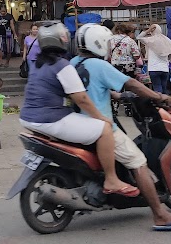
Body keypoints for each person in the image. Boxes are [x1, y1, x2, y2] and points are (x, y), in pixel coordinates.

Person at [69, 24, 171, 231]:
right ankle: (160, 215)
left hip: (77, 124)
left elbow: (91, 90)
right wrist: (158, 95)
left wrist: (116, 95)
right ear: (97, 44)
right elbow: (132, 84)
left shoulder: (73, 64)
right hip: (101, 127)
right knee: (139, 162)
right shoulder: (100, 66)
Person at [19, 21, 140, 198]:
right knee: (105, 129)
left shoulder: (39, 64)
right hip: (51, 119)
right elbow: (81, 98)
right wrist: (101, 117)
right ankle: (111, 179)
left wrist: (113, 96)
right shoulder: (62, 65)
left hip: (28, 118)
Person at [138, 24, 171, 94]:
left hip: (153, 68)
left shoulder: (150, 40)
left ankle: (160, 103)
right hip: (165, 68)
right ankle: (166, 102)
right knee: (164, 88)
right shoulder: (166, 40)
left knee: (157, 88)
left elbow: (138, 37)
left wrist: (148, 30)